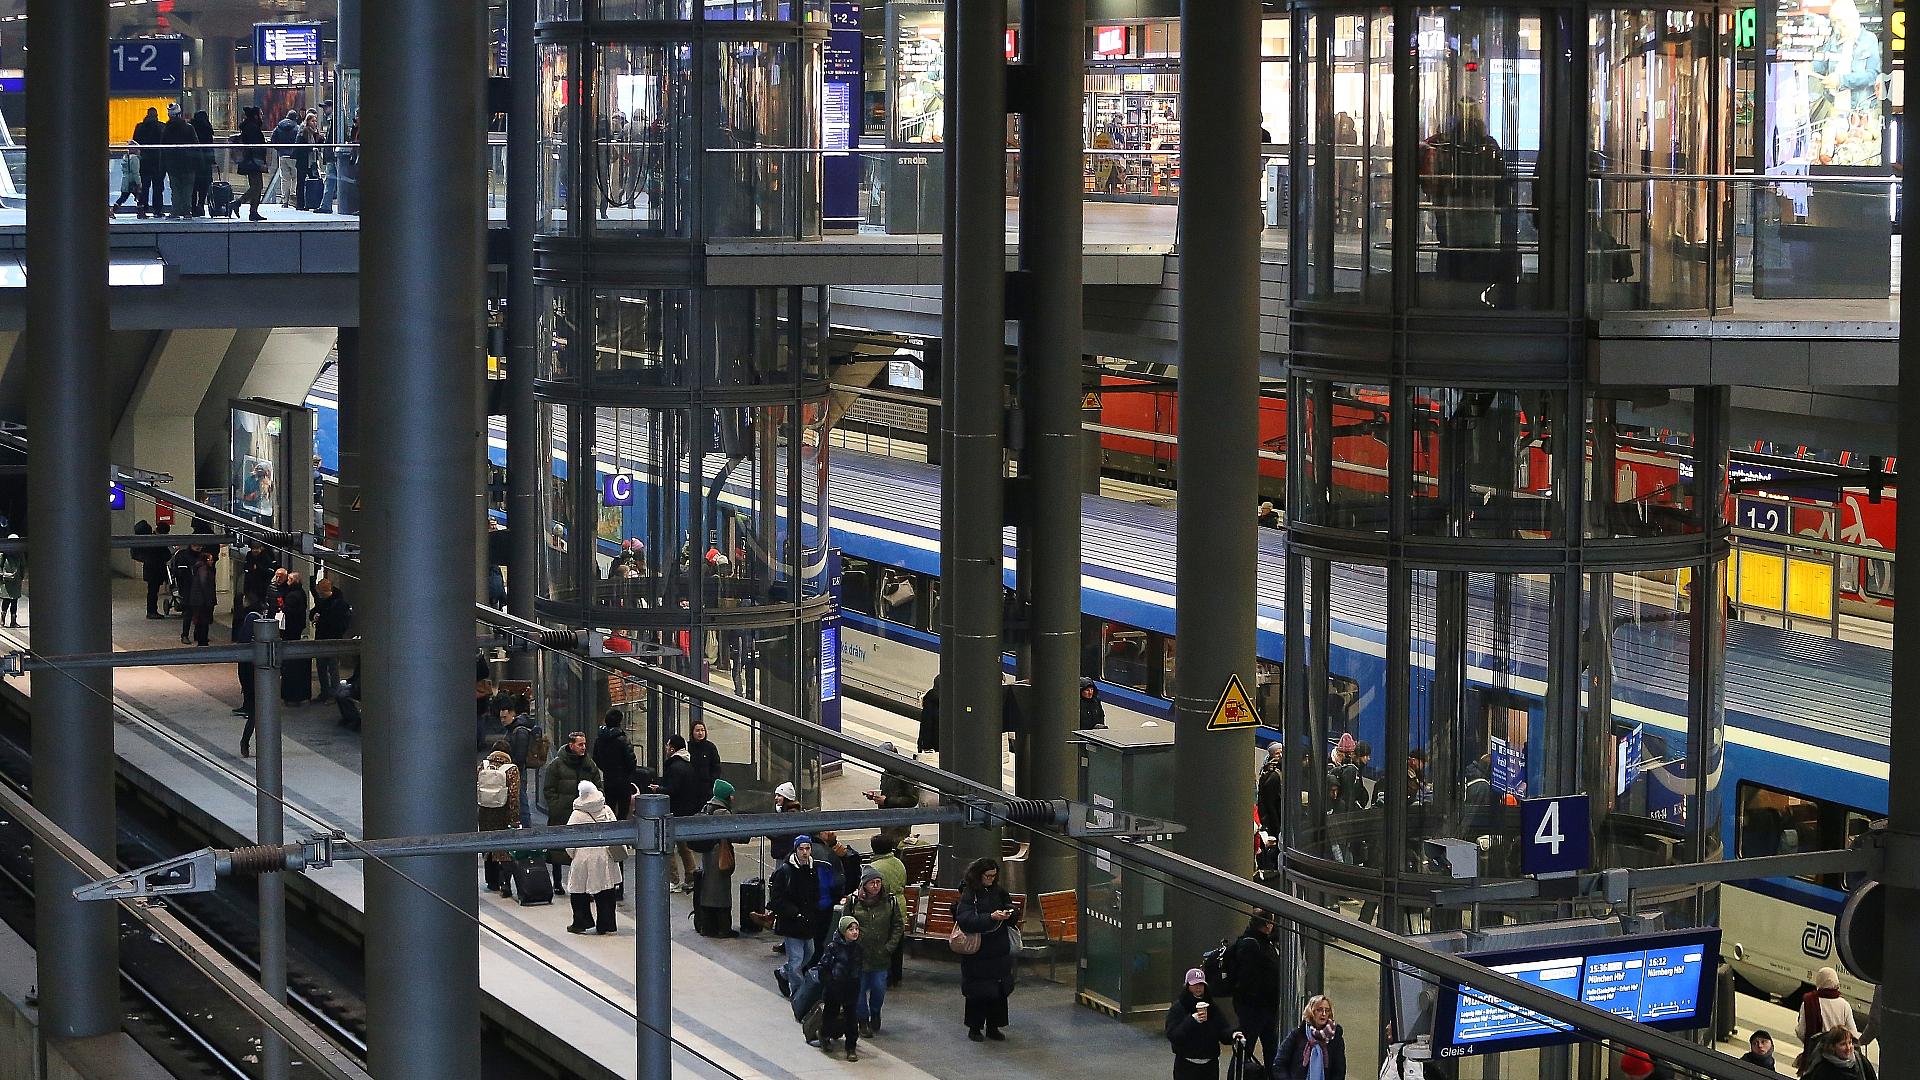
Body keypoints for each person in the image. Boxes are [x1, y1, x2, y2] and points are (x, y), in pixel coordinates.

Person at [955, 857, 1017, 1042]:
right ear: (979, 875)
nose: (991, 879)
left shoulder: (999, 891)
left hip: (998, 951)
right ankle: (975, 1027)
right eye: (987, 876)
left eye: (993, 876)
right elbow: (965, 920)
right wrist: (990, 917)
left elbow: (1010, 906)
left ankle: (993, 1026)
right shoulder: (969, 894)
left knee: (998, 992)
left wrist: (1009, 913)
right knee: (978, 992)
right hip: (979, 952)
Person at [839, 866, 904, 1036]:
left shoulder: (890, 902)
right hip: (858, 956)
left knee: (878, 988)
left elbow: (898, 925)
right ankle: (863, 1020)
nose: (876, 886)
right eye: (872, 883)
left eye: (878, 882)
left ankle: (875, 1011)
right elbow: (844, 924)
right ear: (864, 885)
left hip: (880, 956)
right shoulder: (853, 902)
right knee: (859, 990)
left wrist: (890, 946)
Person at [766, 835, 829, 997]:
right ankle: (799, 993)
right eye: (801, 849)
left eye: (807, 848)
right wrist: (795, 913)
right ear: (795, 850)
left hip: (807, 921)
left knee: (808, 954)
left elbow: (814, 892)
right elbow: (777, 899)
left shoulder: (812, 868)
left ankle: (783, 973)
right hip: (792, 922)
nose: (805, 852)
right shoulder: (786, 871)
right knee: (796, 960)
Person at [543, 731, 603, 894]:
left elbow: (598, 786)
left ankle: (580, 884)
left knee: (581, 851)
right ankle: (557, 882)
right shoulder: (556, 765)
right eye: (580, 744)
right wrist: (556, 806)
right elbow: (549, 789)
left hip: (583, 815)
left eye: (584, 744)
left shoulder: (589, 765)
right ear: (571, 745)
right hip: (562, 813)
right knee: (558, 848)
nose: (583, 747)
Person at [1228, 911, 1283, 1073]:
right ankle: (1237, 1076)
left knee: (1271, 1050)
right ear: (1267, 925)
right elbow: (1247, 980)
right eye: (1271, 922)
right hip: (1254, 1009)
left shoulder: (1262, 942)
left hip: (1264, 1008)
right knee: (1246, 1049)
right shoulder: (1251, 945)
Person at [565, 780, 622, 935]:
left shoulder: (577, 814)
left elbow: (569, 839)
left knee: (578, 891)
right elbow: (616, 830)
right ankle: (607, 924)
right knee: (606, 892)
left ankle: (581, 922)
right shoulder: (606, 809)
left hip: (583, 857)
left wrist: (573, 855)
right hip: (604, 855)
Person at [1166, 967, 1240, 1080]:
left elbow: (1222, 1030)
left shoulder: (1212, 1007)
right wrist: (1192, 1020)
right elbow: (1174, 1035)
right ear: (1187, 986)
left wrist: (1233, 1034)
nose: (1198, 987)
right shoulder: (1179, 1008)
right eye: (1194, 984)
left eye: (1201, 984)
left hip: (1210, 1064)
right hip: (1187, 1064)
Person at [810, 914, 865, 1061]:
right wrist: (830, 982)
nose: (854, 932)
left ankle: (851, 1047)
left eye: (856, 929)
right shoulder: (833, 947)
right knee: (830, 1016)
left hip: (852, 988)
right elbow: (823, 967)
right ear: (842, 931)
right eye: (850, 929)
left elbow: (860, 967)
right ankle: (824, 1035)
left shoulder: (858, 948)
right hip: (835, 989)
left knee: (852, 1020)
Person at [693, 779, 740, 937]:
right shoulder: (723, 812)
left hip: (708, 855)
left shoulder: (707, 808)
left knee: (708, 891)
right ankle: (723, 928)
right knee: (721, 892)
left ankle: (706, 926)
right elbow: (735, 832)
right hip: (719, 854)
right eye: (731, 794)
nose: (733, 798)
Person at [476, 739, 521, 898]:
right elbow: (514, 796)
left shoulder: (483, 765)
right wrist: (514, 819)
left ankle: (491, 880)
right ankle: (505, 883)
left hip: (485, 811)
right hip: (503, 812)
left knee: (488, 845)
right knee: (504, 848)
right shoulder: (511, 769)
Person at [662, 734, 704, 891]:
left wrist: (658, 789)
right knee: (684, 846)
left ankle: (674, 880)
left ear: (673, 748)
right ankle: (691, 877)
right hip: (686, 810)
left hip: (674, 811)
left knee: (669, 846)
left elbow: (672, 789)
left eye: (668, 745)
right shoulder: (688, 764)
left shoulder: (674, 766)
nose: (666, 748)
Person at [1273, 995, 1346, 1080]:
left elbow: (1339, 1070)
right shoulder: (1297, 1035)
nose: (1324, 1014)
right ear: (1311, 1012)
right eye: (1319, 1010)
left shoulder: (1334, 1037)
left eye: (1327, 1010)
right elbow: (1279, 1064)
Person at [868, 835, 909, 987]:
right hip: (900, 903)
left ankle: (884, 975)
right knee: (897, 941)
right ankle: (896, 975)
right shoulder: (899, 863)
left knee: (884, 942)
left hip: (884, 907)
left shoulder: (875, 867)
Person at [864, 744, 919, 847]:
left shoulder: (906, 774)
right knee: (887, 846)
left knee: (897, 846)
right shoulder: (886, 773)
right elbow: (885, 793)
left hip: (900, 822)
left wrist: (887, 801)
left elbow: (912, 800)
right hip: (886, 820)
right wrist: (875, 796)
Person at [1797, 967, 1860, 1053]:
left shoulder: (1809, 1001)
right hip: (1837, 1054)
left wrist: (1811, 1043)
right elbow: (1853, 1034)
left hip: (1815, 1054)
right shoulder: (1845, 1005)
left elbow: (1801, 1031)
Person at [497, 699, 539, 827]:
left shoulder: (519, 731)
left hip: (517, 770)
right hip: (515, 769)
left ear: (512, 714)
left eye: (505, 717)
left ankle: (527, 828)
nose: (503, 720)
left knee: (521, 800)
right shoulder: (515, 729)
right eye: (501, 718)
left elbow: (520, 756)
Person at [310, 575, 351, 703]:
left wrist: (318, 618)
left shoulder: (337, 604)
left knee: (331, 667)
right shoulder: (334, 602)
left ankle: (331, 693)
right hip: (328, 638)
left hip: (330, 638)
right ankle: (328, 693)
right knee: (324, 667)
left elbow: (334, 622)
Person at [592, 710, 639, 818]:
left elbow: (596, 758)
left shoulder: (600, 739)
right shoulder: (622, 739)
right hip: (623, 781)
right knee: (623, 811)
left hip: (608, 779)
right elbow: (631, 760)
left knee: (610, 809)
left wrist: (606, 768)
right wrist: (628, 773)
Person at [233, 599, 264, 757]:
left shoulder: (246, 628)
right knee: (257, 713)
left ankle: (249, 742)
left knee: (256, 712)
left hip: (251, 676)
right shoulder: (255, 624)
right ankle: (252, 742)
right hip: (256, 677)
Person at [279, 571, 312, 705]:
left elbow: (290, 610)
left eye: (290, 579)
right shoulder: (300, 593)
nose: (288, 580)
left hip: (291, 626)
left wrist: (283, 608)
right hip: (296, 626)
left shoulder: (293, 595)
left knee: (290, 652)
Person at [161, 103, 195, 219]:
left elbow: (163, 147)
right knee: (187, 189)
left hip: (173, 164)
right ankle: (187, 212)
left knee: (175, 188)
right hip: (189, 163)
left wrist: (163, 164)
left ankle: (175, 211)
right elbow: (196, 146)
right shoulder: (189, 128)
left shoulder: (167, 129)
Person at [1803, 1028, 1877, 1080]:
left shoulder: (1860, 1061)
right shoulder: (1823, 1070)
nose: (1848, 1048)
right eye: (1843, 1044)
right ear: (1832, 1047)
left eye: (1850, 1043)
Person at [236, 106, 269, 220]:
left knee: (256, 186)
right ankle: (239, 203)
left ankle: (252, 211)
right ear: (256, 115)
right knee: (257, 186)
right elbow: (256, 146)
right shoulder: (253, 128)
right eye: (260, 114)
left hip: (251, 161)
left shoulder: (248, 127)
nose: (262, 116)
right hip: (254, 161)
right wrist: (260, 161)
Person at [133, 521, 171, 618]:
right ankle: (152, 611)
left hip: (150, 569)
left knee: (152, 591)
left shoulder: (149, 539)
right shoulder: (156, 541)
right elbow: (166, 555)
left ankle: (151, 611)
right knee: (153, 592)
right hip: (155, 570)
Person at [133, 107, 166, 219]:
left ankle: (142, 209)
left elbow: (135, 143)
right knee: (158, 187)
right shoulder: (161, 127)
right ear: (156, 116)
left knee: (144, 187)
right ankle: (157, 210)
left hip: (144, 161)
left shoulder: (140, 127)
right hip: (158, 161)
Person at [270, 108, 302, 208]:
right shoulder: (297, 128)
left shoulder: (279, 127)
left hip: (282, 155)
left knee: (285, 178)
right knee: (295, 177)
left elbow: (273, 140)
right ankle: (293, 197)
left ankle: (285, 200)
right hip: (294, 156)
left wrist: (279, 149)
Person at [185, 550, 218, 646]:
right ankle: (202, 641)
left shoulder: (198, 568)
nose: (212, 561)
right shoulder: (204, 569)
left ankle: (200, 638)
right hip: (203, 600)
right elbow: (204, 584)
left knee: (199, 620)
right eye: (210, 560)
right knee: (204, 621)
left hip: (197, 600)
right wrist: (209, 600)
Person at [190, 110, 216, 216]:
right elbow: (210, 147)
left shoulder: (191, 127)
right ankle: (201, 205)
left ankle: (193, 207)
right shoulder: (207, 128)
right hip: (205, 162)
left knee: (193, 186)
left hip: (193, 160)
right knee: (204, 186)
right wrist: (212, 160)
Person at [112, 138, 144, 217]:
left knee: (123, 197)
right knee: (140, 197)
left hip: (125, 181)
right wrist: (139, 183)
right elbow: (136, 172)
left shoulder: (125, 157)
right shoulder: (135, 159)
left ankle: (112, 211)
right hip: (133, 182)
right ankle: (140, 213)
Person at [0, 536, 25, 629]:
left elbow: (22, 565)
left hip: (15, 579)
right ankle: (2, 620)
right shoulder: (3, 553)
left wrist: (20, 576)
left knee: (14, 601)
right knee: (6, 600)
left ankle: (13, 621)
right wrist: (2, 575)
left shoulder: (19, 553)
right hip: (7, 580)